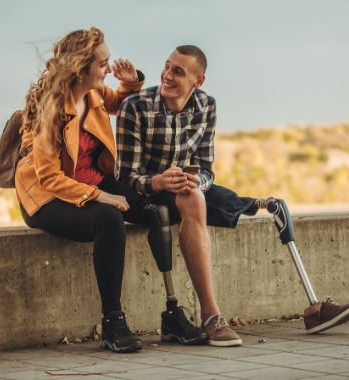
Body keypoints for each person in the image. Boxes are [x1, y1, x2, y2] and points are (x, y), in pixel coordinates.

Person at [115, 45, 349, 345]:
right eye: (167, 66)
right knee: (192, 199)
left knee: (273, 206)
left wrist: (198, 181)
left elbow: (207, 169)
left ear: (199, 81)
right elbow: (125, 178)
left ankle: (315, 308)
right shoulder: (136, 106)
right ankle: (211, 317)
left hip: (184, 187)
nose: (167, 75)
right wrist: (158, 181)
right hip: (145, 193)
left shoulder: (207, 105)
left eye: (178, 71)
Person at [15, 28, 207, 353]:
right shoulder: (49, 109)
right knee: (109, 217)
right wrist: (98, 195)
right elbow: (47, 177)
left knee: (155, 210)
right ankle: (112, 322)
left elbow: (121, 102)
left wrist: (131, 82)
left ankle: (173, 314)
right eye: (102, 63)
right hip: (47, 197)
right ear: (80, 69)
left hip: (92, 180)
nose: (107, 68)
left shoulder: (93, 92)